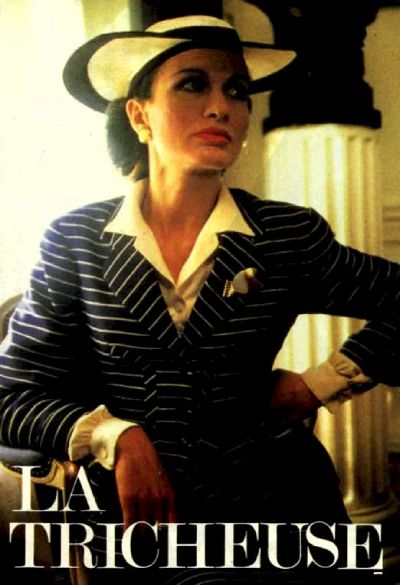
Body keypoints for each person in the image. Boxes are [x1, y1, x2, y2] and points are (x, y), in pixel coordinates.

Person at [0, 13, 396, 585]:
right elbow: (11, 398)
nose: (221, 107)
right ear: (139, 115)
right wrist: (116, 436)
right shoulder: (76, 240)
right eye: (193, 84)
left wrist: (322, 381)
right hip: (141, 523)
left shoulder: (284, 235)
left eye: (236, 91)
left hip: (278, 506)